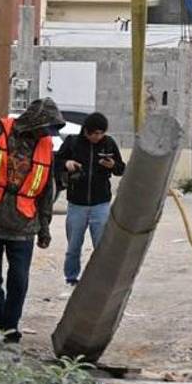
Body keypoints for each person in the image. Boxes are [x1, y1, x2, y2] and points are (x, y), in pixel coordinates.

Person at [0, 97, 65, 342]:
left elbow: (46, 192)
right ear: (34, 121)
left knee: (19, 281)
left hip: (24, 225)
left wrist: (45, 228)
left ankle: (10, 328)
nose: (47, 133)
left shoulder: (46, 146)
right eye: (46, 127)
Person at [54, 112, 126, 286]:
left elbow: (121, 169)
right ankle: (71, 277)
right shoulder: (72, 142)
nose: (98, 137)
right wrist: (66, 164)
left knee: (101, 245)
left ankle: (102, 278)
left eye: (101, 133)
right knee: (74, 245)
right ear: (86, 131)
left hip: (101, 203)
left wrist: (113, 165)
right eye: (95, 133)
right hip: (76, 203)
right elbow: (55, 162)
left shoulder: (109, 143)